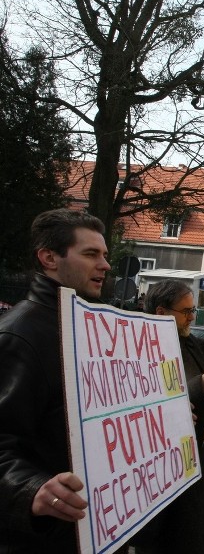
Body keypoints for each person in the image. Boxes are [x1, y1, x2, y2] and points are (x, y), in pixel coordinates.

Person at [0, 209, 108, 552]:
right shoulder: (20, 335)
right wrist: (31, 488)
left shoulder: (91, 327)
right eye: (91, 254)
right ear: (49, 258)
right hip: (45, 537)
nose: (105, 265)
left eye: (105, 255)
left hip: (94, 527)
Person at [135, 279, 204, 554]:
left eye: (193, 311)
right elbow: (148, 401)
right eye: (186, 311)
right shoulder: (142, 346)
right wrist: (203, 382)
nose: (192, 317)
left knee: (200, 524)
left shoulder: (187, 340)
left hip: (199, 451)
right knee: (176, 532)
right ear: (161, 312)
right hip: (169, 466)